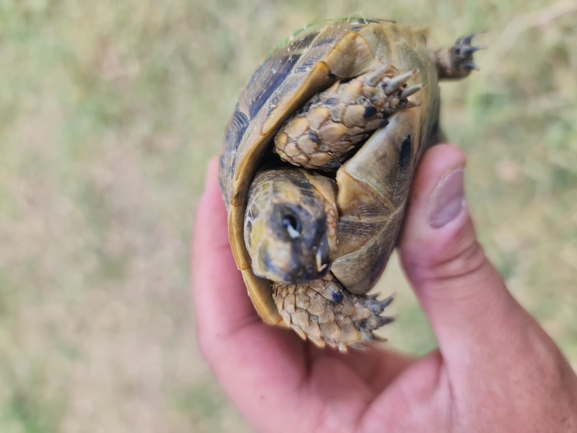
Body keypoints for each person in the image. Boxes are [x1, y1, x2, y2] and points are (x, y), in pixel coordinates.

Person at [192, 144, 577, 432]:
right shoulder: (298, 278)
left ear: (284, 194)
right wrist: (331, 313)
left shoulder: (303, 140)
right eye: (286, 271)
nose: (306, 263)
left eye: (291, 224)